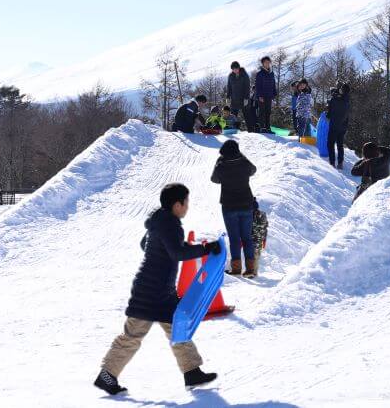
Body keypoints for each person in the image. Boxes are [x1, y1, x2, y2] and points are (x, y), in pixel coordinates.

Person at [94, 184, 219, 395]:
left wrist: (193, 249)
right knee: (133, 335)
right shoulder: (170, 224)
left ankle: (192, 373)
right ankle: (106, 376)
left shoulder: (159, 221)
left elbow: (147, 245)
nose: (187, 206)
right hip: (151, 291)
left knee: (179, 328)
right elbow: (177, 253)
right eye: (186, 202)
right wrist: (205, 249)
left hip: (161, 290)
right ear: (177, 204)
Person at [210, 140, 259, 276]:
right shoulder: (244, 163)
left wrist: (218, 164)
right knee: (247, 237)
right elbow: (253, 170)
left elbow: (214, 179)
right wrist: (242, 157)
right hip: (246, 205)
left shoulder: (221, 165)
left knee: (234, 238)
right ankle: (250, 269)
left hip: (229, 206)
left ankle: (236, 268)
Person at [326, 84, 351, 169]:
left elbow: (328, 115)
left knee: (330, 144)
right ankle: (340, 163)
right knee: (340, 144)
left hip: (334, 125)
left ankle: (332, 163)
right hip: (343, 126)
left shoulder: (334, 99)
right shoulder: (347, 100)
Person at [225, 61, 253, 131]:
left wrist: (246, 98)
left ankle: (251, 130)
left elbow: (247, 87)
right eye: (233, 69)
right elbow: (229, 87)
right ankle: (232, 130)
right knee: (233, 116)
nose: (235, 70)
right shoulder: (231, 76)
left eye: (236, 68)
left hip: (244, 99)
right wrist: (228, 97)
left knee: (247, 116)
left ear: (239, 68)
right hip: (234, 99)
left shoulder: (244, 75)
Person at [254, 56, 278, 132]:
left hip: (269, 95)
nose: (267, 64)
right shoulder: (259, 73)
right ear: (263, 64)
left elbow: (273, 84)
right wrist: (259, 96)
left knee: (268, 112)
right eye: (265, 62)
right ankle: (262, 127)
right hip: (262, 96)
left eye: (268, 62)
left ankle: (268, 127)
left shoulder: (271, 73)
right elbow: (257, 86)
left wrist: (274, 93)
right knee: (262, 112)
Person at [249, 208, 269, 276]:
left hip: (253, 239)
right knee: (256, 256)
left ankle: (252, 272)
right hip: (259, 240)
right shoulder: (263, 214)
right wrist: (264, 240)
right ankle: (254, 272)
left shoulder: (250, 215)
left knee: (253, 256)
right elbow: (265, 228)